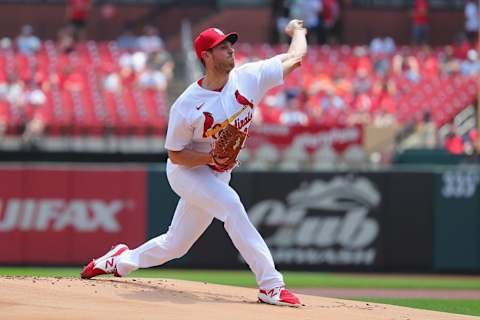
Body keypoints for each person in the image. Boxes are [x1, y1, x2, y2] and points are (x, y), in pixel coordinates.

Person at [80, 20, 308, 307]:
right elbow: (175, 154)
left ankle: (119, 261)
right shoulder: (187, 105)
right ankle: (271, 285)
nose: (230, 51)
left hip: (218, 174)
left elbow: (295, 58)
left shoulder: (249, 77)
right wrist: (210, 158)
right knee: (232, 206)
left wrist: (298, 32)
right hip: (187, 172)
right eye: (221, 47)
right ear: (206, 57)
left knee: (175, 245)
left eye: (230, 45)